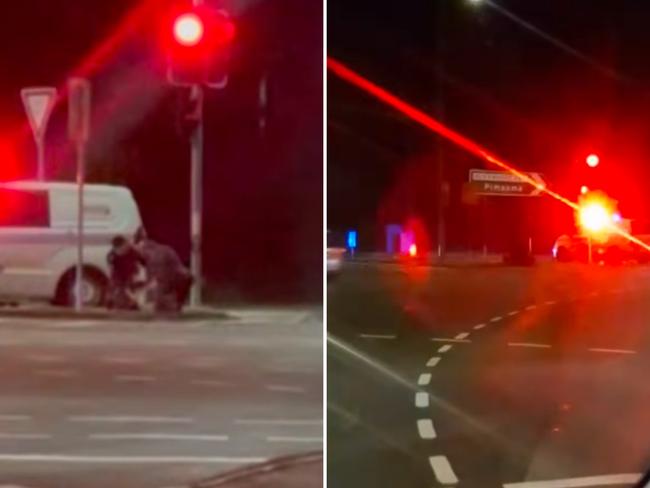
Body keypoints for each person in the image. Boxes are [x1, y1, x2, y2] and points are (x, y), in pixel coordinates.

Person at [135, 229, 192, 313]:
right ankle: (176, 304)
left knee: (161, 308)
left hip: (172, 280)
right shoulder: (164, 248)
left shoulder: (152, 254)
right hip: (181, 277)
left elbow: (159, 279)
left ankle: (173, 305)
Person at [107, 235, 143, 310]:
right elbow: (111, 266)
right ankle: (110, 301)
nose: (125, 248)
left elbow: (140, 260)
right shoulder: (112, 255)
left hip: (130, 272)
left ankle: (133, 304)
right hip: (117, 274)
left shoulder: (132, 251)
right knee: (116, 288)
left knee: (129, 289)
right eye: (122, 247)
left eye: (125, 245)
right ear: (116, 248)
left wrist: (137, 271)